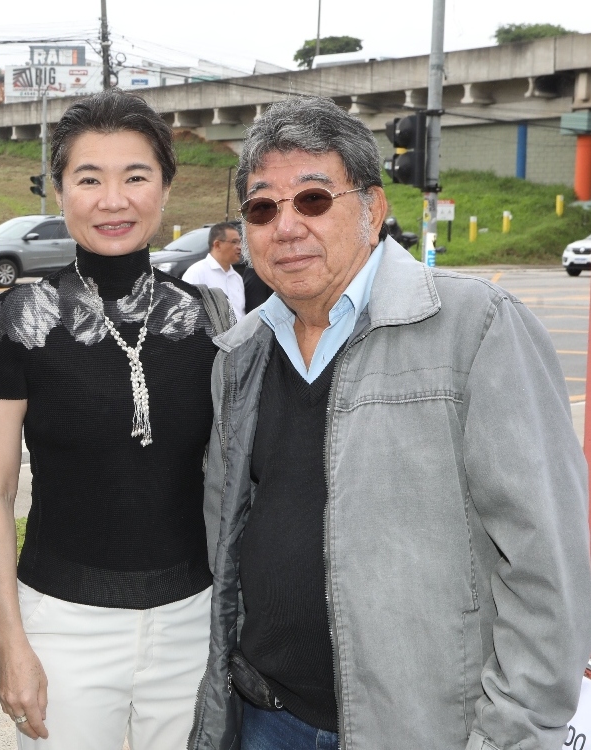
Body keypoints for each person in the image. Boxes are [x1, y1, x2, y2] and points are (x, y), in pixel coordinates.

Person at [190, 96, 591, 750]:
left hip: (422, 731)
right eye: (262, 208)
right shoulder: (239, 356)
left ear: (372, 210)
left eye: (313, 199)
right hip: (265, 716)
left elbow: (548, 567)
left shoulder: (477, 327)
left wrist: (510, 736)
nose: (285, 226)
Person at [0, 89, 224, 750]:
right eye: (89, 179)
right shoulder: (19, 320)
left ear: (165, 189)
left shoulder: (210, 318)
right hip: (62, 626)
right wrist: (10, 641)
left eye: (136, 177)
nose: (114, 200)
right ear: (59, 191)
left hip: (192, 623)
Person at [182, 222, 246, 318]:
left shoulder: (237, 278)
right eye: (234, 242)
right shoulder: (197, 273)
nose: (239, 247)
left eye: (239, 242)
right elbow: (187, 310)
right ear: (217, 245)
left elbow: (240, 313)